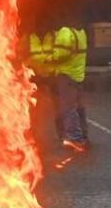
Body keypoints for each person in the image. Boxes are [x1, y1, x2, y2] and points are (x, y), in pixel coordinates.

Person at [29, 21, 90, 152]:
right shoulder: (81, 32)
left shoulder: (65, 32)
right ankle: (82, 136)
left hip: (66, 75)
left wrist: (47, 59)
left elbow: (61, 55)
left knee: (68, 109)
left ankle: (75, 139)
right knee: (78, 108)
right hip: (77, 74)